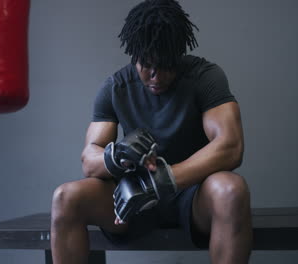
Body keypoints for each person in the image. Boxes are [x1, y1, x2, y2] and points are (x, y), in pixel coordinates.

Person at [50, 0, 253, 263]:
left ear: (178, 54)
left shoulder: (205, 77)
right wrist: (117, 155)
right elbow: (89, 160)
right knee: (66, 197)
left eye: (165, 65)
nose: (155, 75)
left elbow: (231, 146)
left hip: (192, 195)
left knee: (232, 190)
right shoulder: (115, 88)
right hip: (132, 199)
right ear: (134, 54)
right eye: (146, 64)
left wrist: (164, 180)